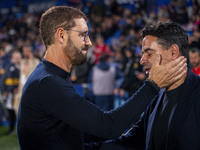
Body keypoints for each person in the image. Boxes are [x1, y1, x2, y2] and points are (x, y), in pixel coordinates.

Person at [16, 6, 187, 150]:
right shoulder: (48, 82)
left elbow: (80, 136)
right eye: (82, 34)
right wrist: (153, 85)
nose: (89, 42)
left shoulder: (49, 76)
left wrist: (137, 135)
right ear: (61, 35)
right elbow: (108, 127)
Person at [92, 22, 200, 150]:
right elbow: (133, 141)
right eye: (143, 53)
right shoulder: (156, 94)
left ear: (173, 52)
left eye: (149, 53)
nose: (142, 60)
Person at [13, 45, 40, 115]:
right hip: (21, 88)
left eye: (27, 51)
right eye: (24, 51)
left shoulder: (36, 61)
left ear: (30, 51)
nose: (25, 53)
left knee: (30, 107)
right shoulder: (22, 61)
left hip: (30, 88)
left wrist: (31, 59)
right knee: (17, 106)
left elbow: (34, 71)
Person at [3, 51, 21, 134]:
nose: (18, 59)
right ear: (13, 58)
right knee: (11, 110)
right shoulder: (10, 66)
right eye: (17, 57)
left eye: (19, 57)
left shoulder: (21, 66)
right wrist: (7, 90)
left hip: (19, 92)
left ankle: (15, 128)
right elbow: (5, 79)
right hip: (11, 93)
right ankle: (11, 128)